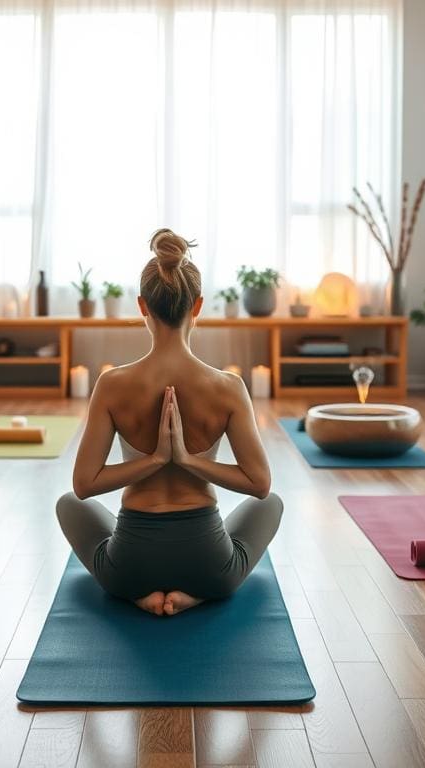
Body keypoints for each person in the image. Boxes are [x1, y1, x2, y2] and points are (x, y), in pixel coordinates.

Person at [56, 228, 283, 617]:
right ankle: (198, 595)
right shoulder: (228, 386)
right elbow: (260, 486)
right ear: (197, 306)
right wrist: (188, 459)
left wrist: (154, 459)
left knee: (66, 505)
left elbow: (83, 485)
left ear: (143, 306)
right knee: (273, 506)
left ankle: (137, 598)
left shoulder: (113, 384)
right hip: (209, 565)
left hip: (128, 566)